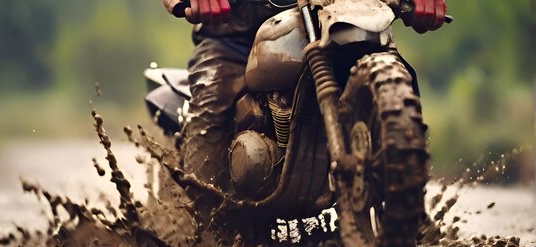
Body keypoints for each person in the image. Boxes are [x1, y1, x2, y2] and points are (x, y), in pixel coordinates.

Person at [161, 0, 446, 192]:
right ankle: (199, 235)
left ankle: (406, 204)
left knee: (396, 70)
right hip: (234, 35)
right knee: (210, 114)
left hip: (338, 17)